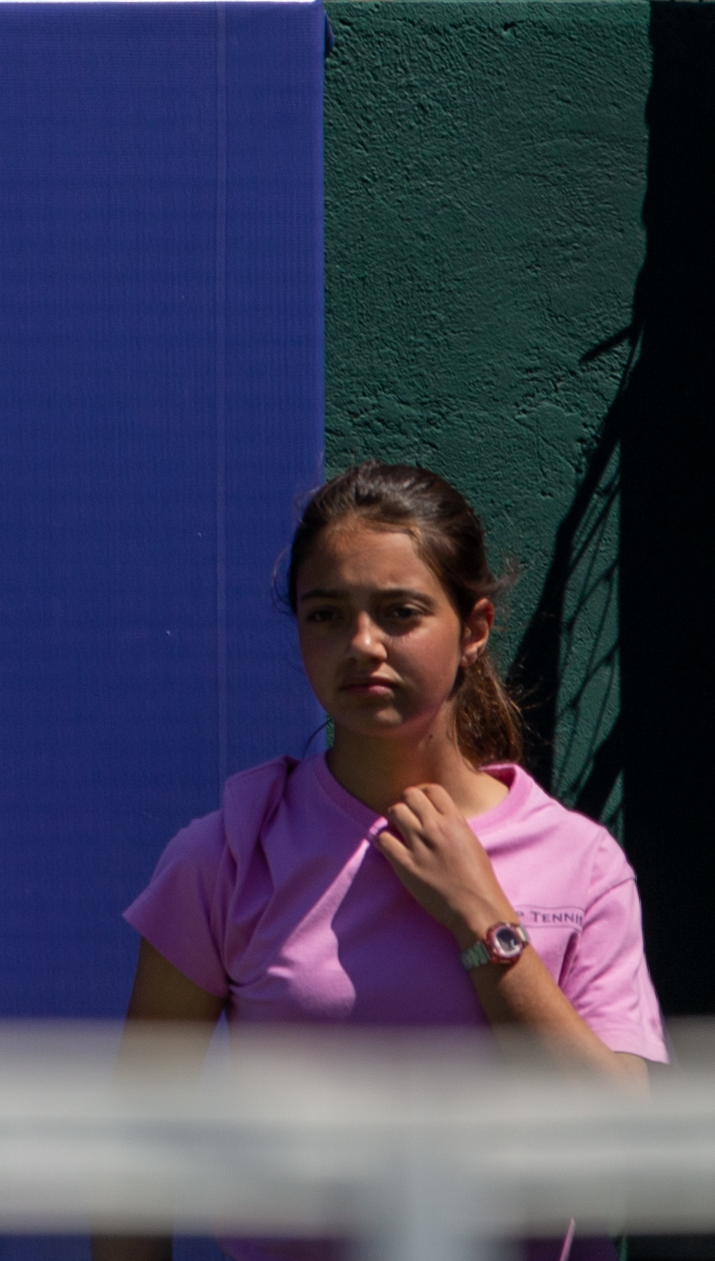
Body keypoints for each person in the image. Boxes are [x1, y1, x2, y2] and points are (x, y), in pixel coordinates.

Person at [98, 463, 656, 1261]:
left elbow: (624, 1141)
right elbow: (132, 1152)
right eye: (326, 614)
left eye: (400, 612)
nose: (362, 645)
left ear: (474, 627)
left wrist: (483, 920)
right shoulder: (221, 856)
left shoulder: (584, 863)